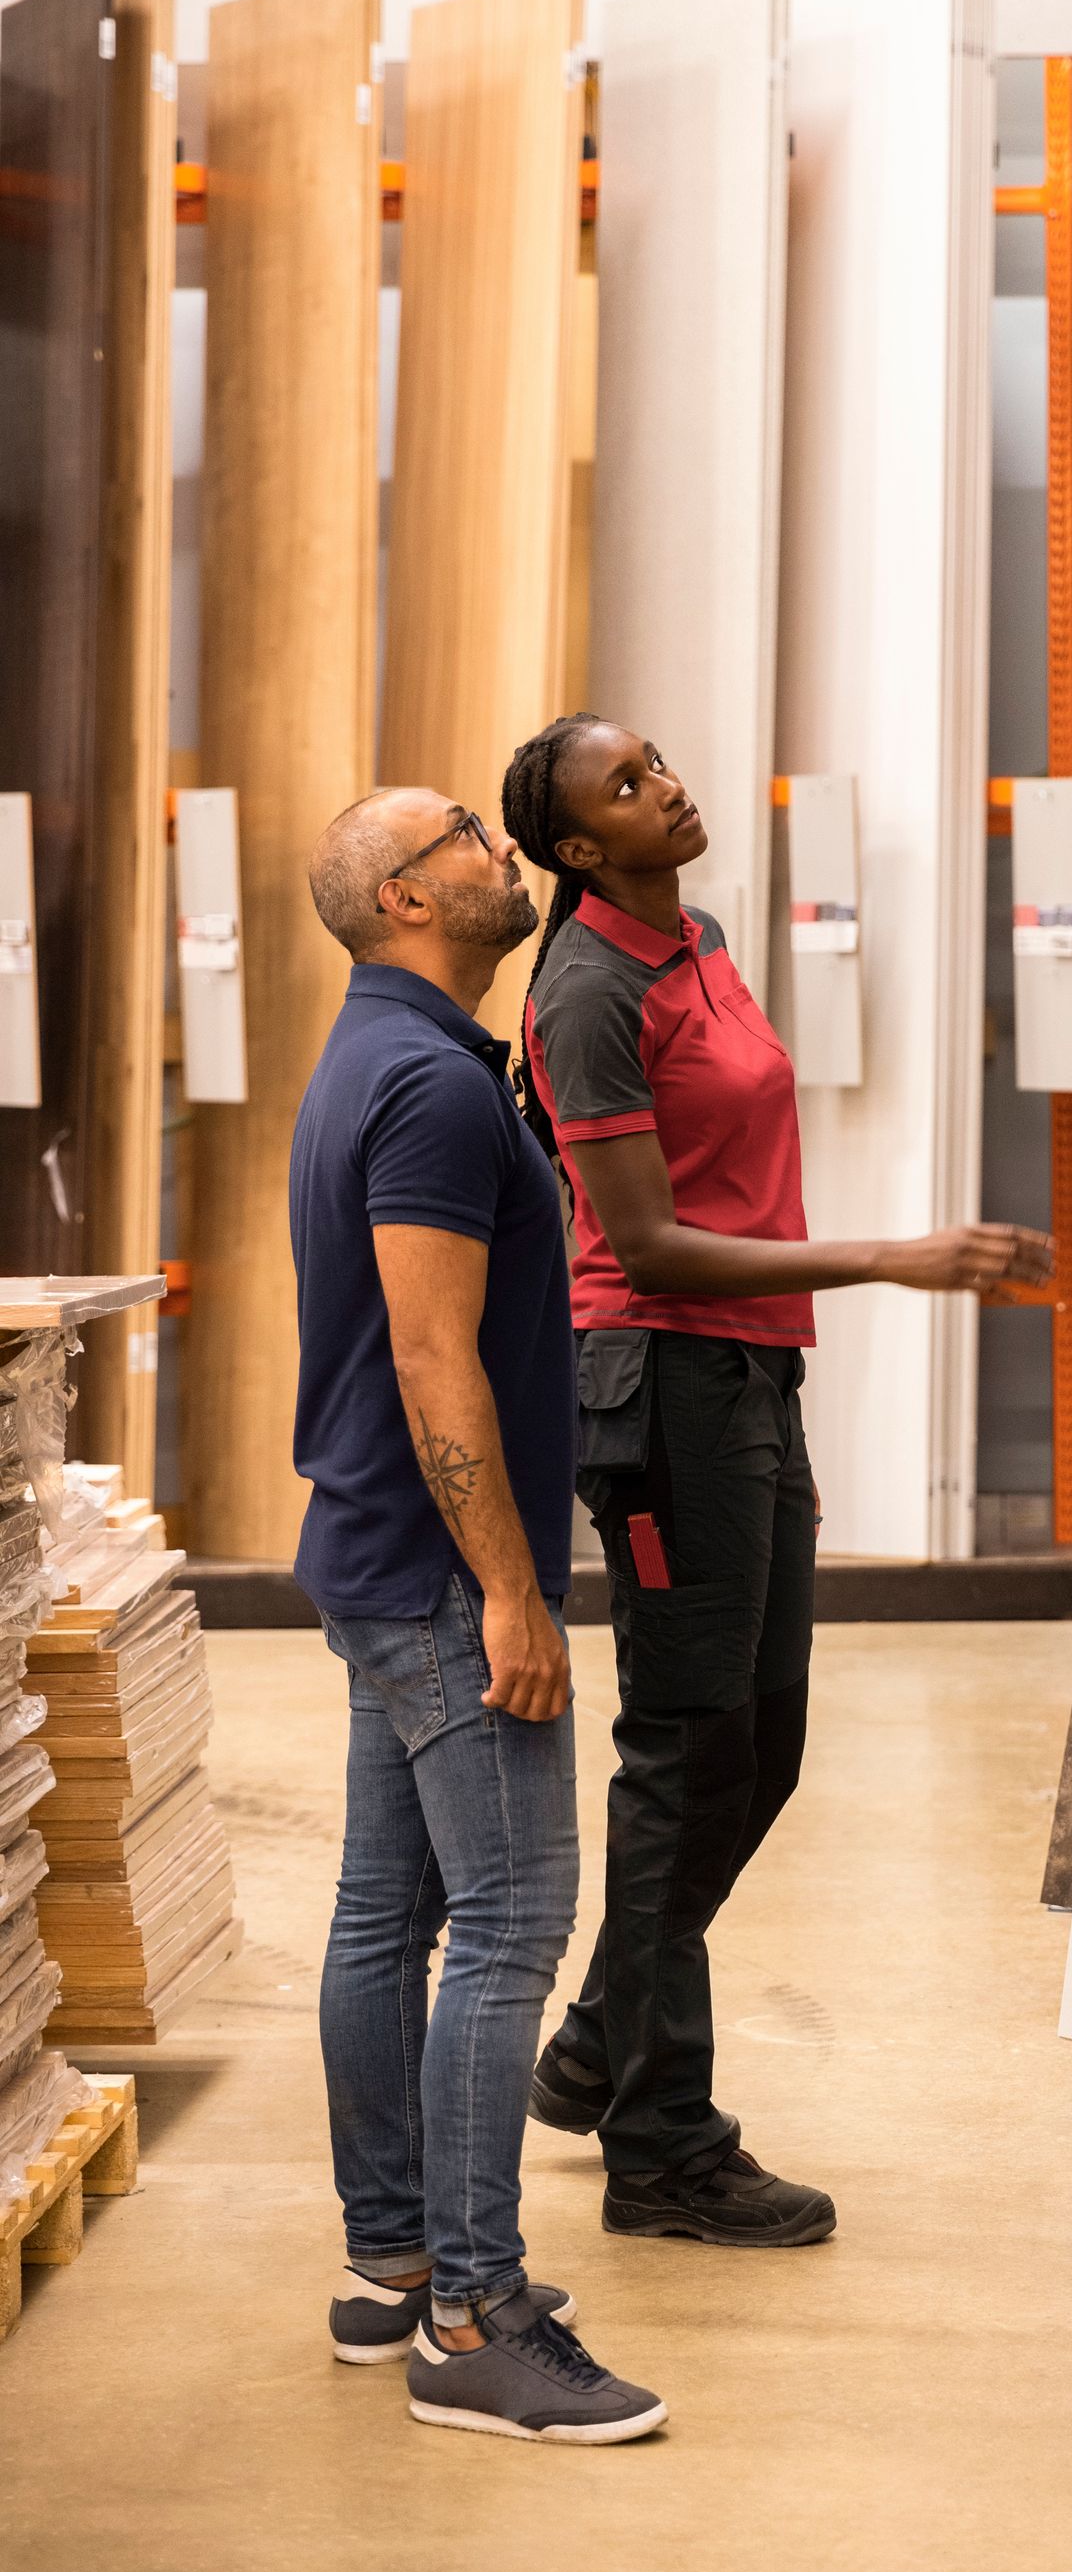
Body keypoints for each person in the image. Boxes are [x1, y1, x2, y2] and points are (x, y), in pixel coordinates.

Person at [499, 715, 1052, 2246]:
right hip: (662, 1389)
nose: (663, 783)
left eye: (657, 759)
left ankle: (605, 2036)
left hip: (748, 1377)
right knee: (685, 1753)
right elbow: (651, 1240)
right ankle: (662, 2143)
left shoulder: (698, 942)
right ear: (577, 850)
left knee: (768, 1738)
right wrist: (898, 1255)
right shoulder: (588, 993)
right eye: (624, 785)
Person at [291, 785, 665, 2445]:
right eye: (461, 830)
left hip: (381, 1550)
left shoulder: (386, 1055)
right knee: (513, 1917)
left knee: (390, 1912)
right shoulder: (433, 1085)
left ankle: (393, 2263)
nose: (491, 841)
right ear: (403, 895)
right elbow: (437, 1358)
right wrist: (512, 1586)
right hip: (446, 1572)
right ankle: (471, 2310)